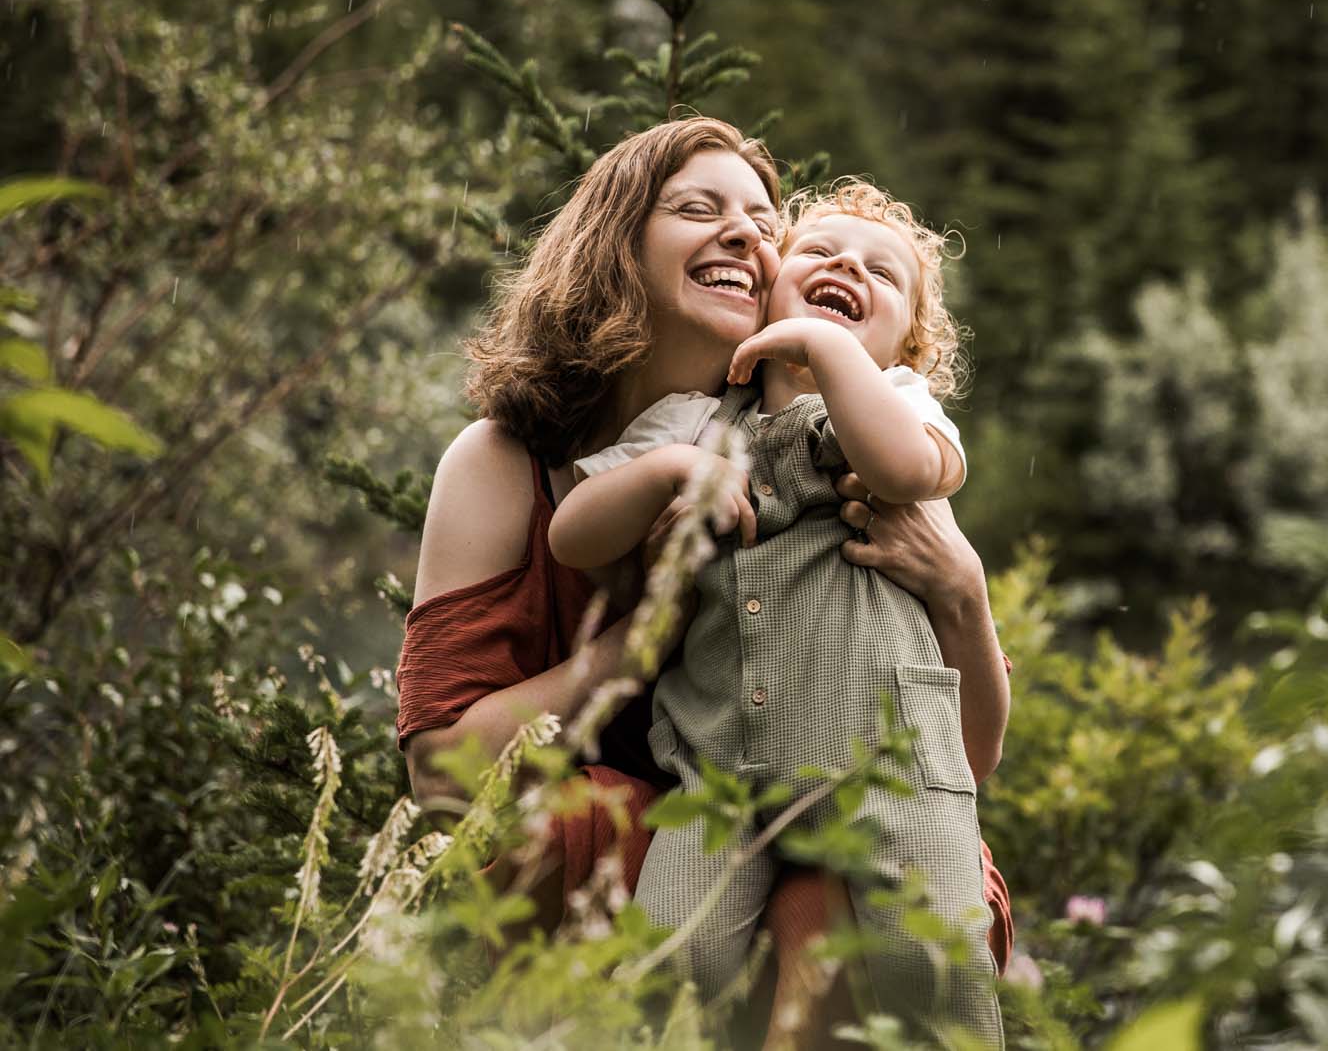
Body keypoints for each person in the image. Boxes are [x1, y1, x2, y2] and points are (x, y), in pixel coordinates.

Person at [395, 119, 1011, 1047]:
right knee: (624, 866)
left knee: (831, 905)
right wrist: (646, 634)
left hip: (844, 812)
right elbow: (443, 775)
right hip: (687, 821)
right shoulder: (511, 462)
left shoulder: (861, 443)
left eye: (765, 223)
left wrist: (961, 587)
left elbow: (965, 755)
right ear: (616, 244)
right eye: (698, 208)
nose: (744, 235)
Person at [549, 180, 1001, 1043]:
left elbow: (908, 471)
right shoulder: (693, 422)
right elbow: (572, 535)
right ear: (767, 292)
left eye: (880, 272)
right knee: (672, 959)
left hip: (890, 762)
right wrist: (667, 472)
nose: (847, 268)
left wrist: (826, 349)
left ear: (907, 346)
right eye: (820, 253)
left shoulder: (901, 403)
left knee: (929, 963)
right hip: (719, 768)